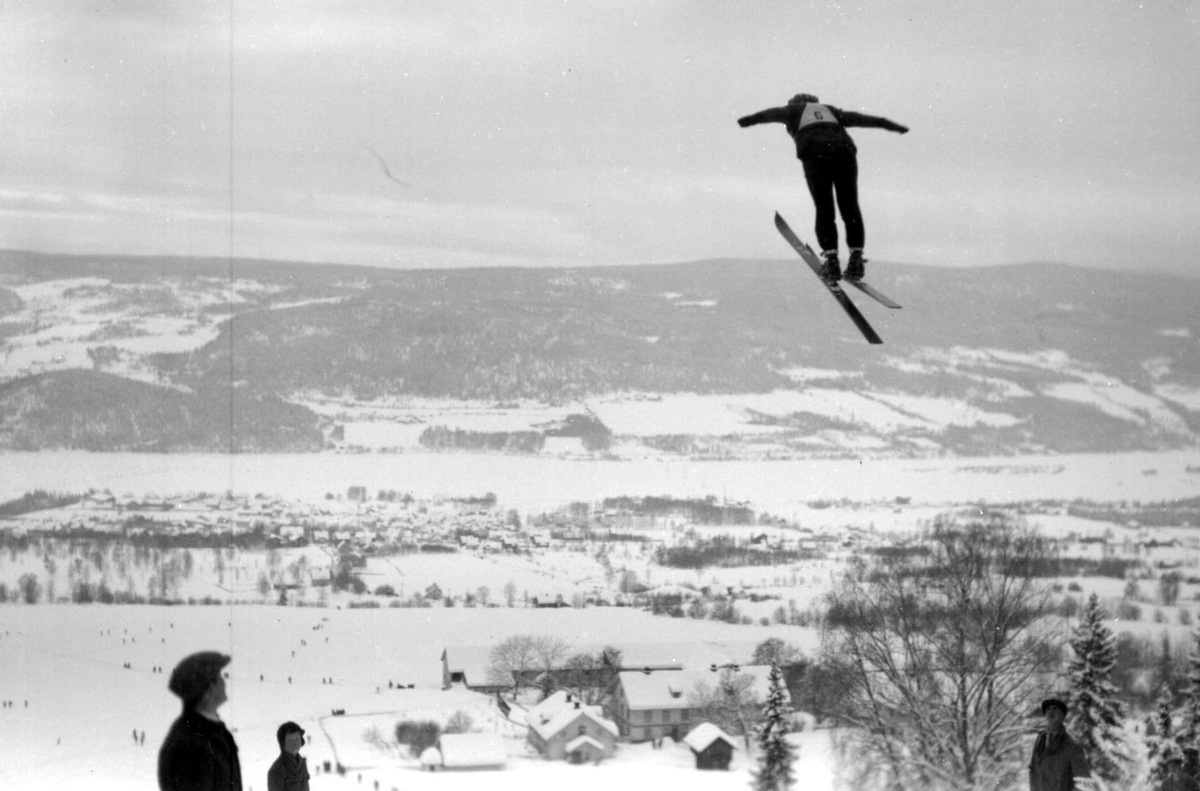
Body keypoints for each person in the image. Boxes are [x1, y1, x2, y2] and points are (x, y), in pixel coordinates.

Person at [738, 93, 908, 282]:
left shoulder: (793, 110)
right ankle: (856, 261)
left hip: (815, 152)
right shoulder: (830, 110)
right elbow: (861, 119)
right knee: (849, 205)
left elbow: (769, 114)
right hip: (845, 151)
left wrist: (746, 121)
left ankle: (832, 261)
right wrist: (891, 125)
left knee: (824, 206)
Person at [158, 651, 243, 791]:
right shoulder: (191, 744)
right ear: (209, 691)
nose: (224, 681)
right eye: (220, 677)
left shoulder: (212, 732)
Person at [1029, 698, 1091, 791]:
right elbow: (1033, 770)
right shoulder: (1040, 740)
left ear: (1063, 716)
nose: (1050, 711)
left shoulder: (1073, 747)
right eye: (1048, 709)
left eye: (1055, 708)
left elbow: (1084, 786)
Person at [267, 721, 311, 791]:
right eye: (290, 740)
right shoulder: (277, 768)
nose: (295, 743)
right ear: (283, 743)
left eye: (297, 738)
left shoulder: (302, 763)